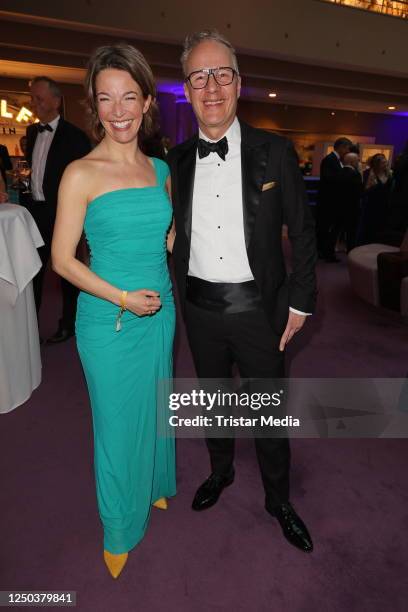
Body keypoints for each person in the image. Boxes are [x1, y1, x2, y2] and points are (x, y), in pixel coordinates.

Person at [167, 30, 317, 553]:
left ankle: (278, 500)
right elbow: (169, 228)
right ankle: (221, 471)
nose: (211, 87)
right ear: (186, 89)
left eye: (222, 74)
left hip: (259, 310)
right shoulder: (176, 160)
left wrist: (301, 300)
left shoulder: (275, 152)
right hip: (200, 308)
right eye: (199, 76)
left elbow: (302, 232)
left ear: (239, 83)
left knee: (268, 412)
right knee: (214, 402)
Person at [51, 44, 176, 578]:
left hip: (161, 311)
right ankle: (119, 528)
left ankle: (153, 485)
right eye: (106, 99)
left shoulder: (161, 167)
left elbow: (165, 222)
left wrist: (167, 238)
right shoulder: (81, 173)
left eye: (130, 97)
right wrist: (122, 296)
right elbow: (60, 259)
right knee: (116, 424)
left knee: (155, 402)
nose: (119, 110)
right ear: (94, 104)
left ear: (148, 101)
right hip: (109, 320)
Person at [26, 76, 91, 343]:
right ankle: (30, 325)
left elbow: (86, 179)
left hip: (65, 214)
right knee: (33, 270)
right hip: (35, 212)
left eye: (39, 99)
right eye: (33, 99)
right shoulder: (31, 133)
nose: (34, 104)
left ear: (55, 101)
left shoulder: (75, 137)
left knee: (67, 271)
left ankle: (69, 323)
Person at [317, 137, 352, 261]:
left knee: (327, 228)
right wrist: (346, 173)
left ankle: (324, 252)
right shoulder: (330, 160)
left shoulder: (335, 160)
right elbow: (330, 179)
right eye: (348, 148)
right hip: (329, 202)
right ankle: (325, 253)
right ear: (342, 147)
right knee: (326, 229)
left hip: (331, 202)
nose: (348, 151)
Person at [357, 153, 392, 246]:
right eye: (383, 163)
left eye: (386, 162)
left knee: (381, 227)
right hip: (371, 205)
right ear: (377, 164)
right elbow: (364, 191)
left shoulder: (389, 174)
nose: (385, 165)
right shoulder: (368, 173)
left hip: (384, 205)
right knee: (369, 227)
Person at [338, 151, 363, 252]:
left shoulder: (339, 172)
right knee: (351, 231)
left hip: (340, 205)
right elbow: (359, 191)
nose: (358, 162)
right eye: (357, 160)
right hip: (352, 206)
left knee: (337, 229)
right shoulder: (355, 174)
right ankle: (351, 250)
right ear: (352, 162)